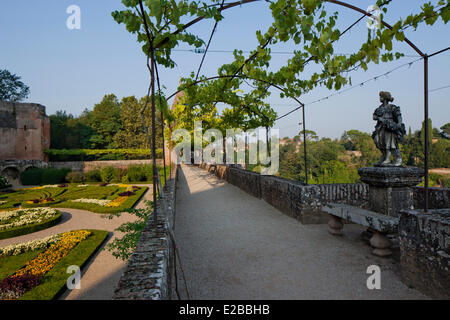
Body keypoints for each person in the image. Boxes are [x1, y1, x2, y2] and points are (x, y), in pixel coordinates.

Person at [372, 91, 406, 166]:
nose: (380, 98)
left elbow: (399, 116)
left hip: (389, 127)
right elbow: (374, 116)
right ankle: (384, 156)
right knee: (378, 140)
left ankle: (391, 158)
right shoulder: (380, 108)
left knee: (389, 142)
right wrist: (379, 118)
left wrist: (398, 124)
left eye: (381, 97)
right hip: (380, 127)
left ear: (385, 98)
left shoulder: (392, 107)